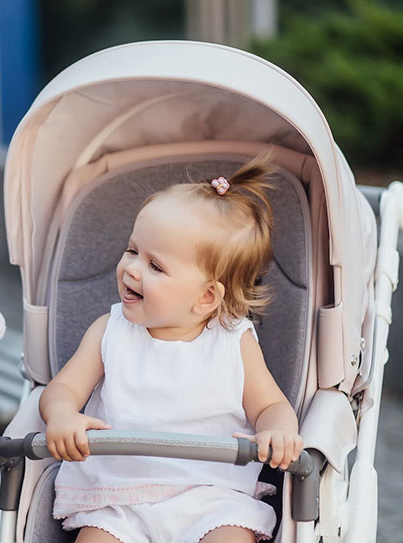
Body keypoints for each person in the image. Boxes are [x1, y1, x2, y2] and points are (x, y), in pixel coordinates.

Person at [39, 155, 305, 543]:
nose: (131, 269)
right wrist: (62, 413)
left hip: (213, 495)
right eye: (132, 250)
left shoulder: (234, 342)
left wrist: (278, 430)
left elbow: (269, 406)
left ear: (206, 297)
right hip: (117, 498)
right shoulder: (110, 331)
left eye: (155, 266)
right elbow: (63, 388)